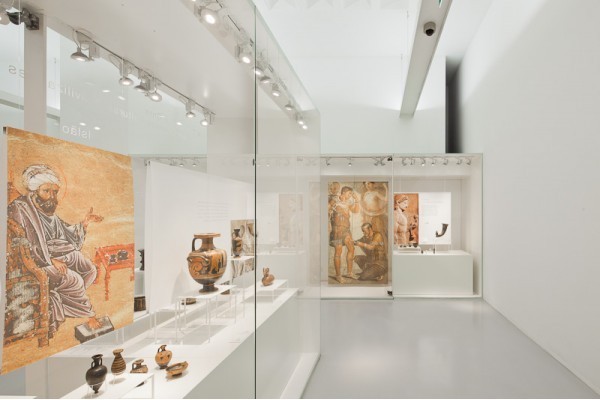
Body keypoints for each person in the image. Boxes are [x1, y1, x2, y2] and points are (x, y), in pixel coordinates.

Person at [7, 164, 104, 336]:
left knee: (89, 269)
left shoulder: (47, 208)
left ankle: (62, 303)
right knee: (73, 279)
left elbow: (65, 232)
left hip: (56, 253)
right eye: (46, 191)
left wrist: (85, 223)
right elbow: (22, 243)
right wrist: (50, 260)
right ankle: (89, 316)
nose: (52, 196)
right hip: (35, 261)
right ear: (34, 191)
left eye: (55, 192)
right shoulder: (21, 208)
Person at [329, 186, 360, 283]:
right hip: (337, 230)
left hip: (346, 230)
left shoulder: (348, 203)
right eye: (349, 193)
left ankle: (349, 273)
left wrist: (357, 200)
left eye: (351, 194)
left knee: (351, 248)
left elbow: (356, 211)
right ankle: (338, 275)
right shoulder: (335, 200)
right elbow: (327, 209)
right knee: (338, 252)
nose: (350, 195)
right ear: (344, 192)